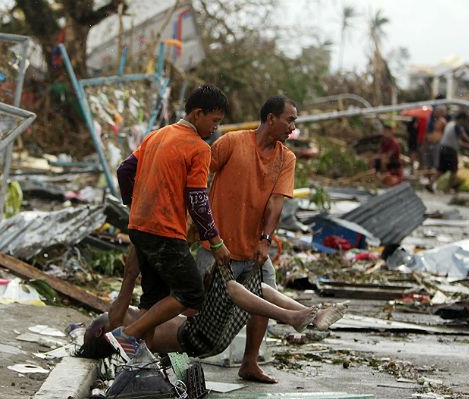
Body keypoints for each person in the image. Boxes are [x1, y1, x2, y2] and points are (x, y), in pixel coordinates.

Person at [107, 84, 232, 361]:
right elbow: (198, 200)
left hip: (139, 227)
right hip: (165, 231)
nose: (215, 129)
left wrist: (135, 204)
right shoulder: (199, 148)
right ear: (198, 114)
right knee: (191, 293)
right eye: (214, 121)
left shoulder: (157, 135)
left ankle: (141, 365)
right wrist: (216, 242)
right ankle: (127, 335)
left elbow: (125, 170)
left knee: (152, 301)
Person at [192, 95, 297, 384]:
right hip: (216, 245)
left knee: (262, 300)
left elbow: (277, 202)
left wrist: (265, 239)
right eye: (289, 120)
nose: (292, 127)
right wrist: (198, 223)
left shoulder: (286, 158)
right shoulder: (232, 142)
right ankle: (183, 358)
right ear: (271, 118)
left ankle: (250, 362)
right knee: (195, 304)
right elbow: (199, 177)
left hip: (254, 248)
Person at [79, 262, 346, 360]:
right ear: (102, 331)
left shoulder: (136, 321)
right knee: (232, 287)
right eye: (93, 323)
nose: (97, 316)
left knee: (254, 287)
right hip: (197, 337)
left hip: (201, 333)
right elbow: (129, 275)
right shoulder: (119, 324)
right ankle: (292, 318)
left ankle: (310, 317)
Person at [427, 111, 469, 192]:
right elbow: (465, 138)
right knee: (454, 172)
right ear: (462, 119)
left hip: (443, 148)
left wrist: (467, 146)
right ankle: (447, 189)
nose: (466, 123)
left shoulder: (450, 124)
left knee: (441, 170)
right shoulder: (458, 126)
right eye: (466, 121)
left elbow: (456, 141)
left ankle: (430, 184)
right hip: (450, 151)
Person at [371, 122, 403, 187]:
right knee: (372, 160)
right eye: (384, 131)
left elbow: (388, 155)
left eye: (387, 131)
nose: (385, 133)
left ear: (391, 132)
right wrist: (374, 157)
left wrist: (378, 156)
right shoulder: (383, 140)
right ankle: (374, 177)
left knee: (384, 159)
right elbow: (380, 152)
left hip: (394, 163)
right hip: (386, 160)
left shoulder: (394, 143)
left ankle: (384, 176)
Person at [422, 106, 447, 172]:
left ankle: (434, 178)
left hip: (437, 143)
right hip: (428, 143)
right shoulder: (430, 120)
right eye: (436, 111)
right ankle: (429, 178)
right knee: (428, 162)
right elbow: (426, 132)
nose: (436, 113)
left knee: (436, 162)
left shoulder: (442, 121)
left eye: (438, 112)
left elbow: (445, 133)